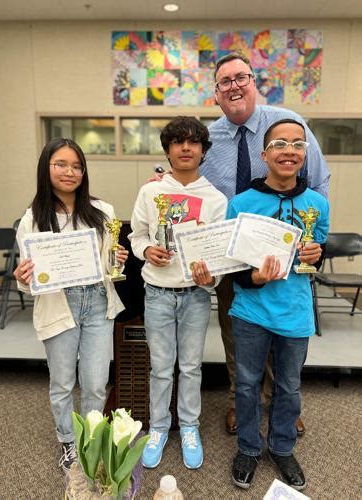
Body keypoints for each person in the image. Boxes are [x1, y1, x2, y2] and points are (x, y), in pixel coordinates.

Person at [200, 52, 330, 435]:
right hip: (232, 253)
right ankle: (242, 404)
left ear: (255, 82)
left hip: (285, 250)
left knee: (282, 331)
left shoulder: (288, 126)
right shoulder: (209, 137)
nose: (235, 86)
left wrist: (313, 241)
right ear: (217, 94)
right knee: (235, 330)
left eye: (242, 77)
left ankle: (280, 403)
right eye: (225, 81)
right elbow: (187, 177)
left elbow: (319, 181)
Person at [13, 138, 128, 472]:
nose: (70, 172)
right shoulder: (32, 219)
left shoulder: (102, 211)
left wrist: (116, 258)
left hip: (97, 302)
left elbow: (109, 265)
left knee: (94, 382)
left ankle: (90, 440)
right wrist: (23, 276)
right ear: (46, 168)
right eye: (60, 164)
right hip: (58, 303)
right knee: (62, 382)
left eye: (77, 166)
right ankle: (67, 440)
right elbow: (30, 279)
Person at [227, 118, 329, 490]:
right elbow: (233, 267)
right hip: (251, 311)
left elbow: (313, 257)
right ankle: (249, 448)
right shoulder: (241, 203)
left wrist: (317, 255)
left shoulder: (317, 204)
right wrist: (256, 277)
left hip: (295, 313)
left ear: (305, 154)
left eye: (298, 144)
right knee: (247, 385)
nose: (290, 151)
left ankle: (282, 447)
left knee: (289, 386)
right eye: (281, 144)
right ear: (264, 154)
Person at [129, 116, 227, 470]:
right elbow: (137, 235)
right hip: (157, 292)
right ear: (168, 149)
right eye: (178, 142)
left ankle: (189, 427)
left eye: (194, 142)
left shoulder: (215, 199)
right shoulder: (150, 191)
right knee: (160, 368)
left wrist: (208, 278)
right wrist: (145, 251)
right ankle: (158, 427)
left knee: (190, 367)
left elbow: (219, 254)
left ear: (203, 150)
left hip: (195, 296)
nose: (186, 148)